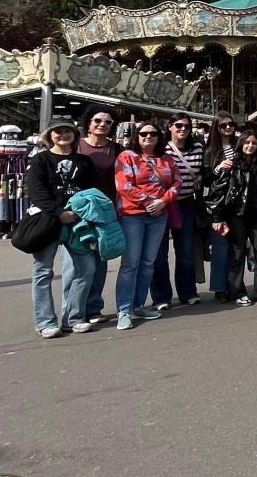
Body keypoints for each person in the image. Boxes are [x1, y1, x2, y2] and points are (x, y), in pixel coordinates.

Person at [25, 119, 99, 338]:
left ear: (75, 135)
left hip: (77, 222)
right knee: (43, 271)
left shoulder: (84, 161)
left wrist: (79, 213)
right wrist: (59, 213)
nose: (63, 135)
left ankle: (74, 317)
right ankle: (45, 321)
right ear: (49, 136)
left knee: (86, 269)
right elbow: (36, 192)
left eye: (68, 131)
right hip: (47, 222)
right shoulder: (40, 160)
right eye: (58, 131)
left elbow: (90, 191)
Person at [114, 123, 178, 331]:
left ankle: (138, 305)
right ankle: (124, 310)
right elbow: (123, 185)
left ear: (159, 137)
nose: (148, 136)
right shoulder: (127, 157)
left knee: (148, 262)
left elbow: (176, 182)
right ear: (137, 136)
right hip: (132, 215)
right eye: (143, 133)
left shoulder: (167, 159)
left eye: (153, 133)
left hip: (158, 215)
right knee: (130, 264)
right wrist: (150, 202)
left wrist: (163, 202)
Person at [206, 128, 257, 305]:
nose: (250, 146)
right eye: (247, 142)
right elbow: (217, 191)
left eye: (254, 143)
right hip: (236, 215)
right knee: (237, 254)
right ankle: (237, 291)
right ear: (241, 144)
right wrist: (218, 217)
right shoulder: (232, 164)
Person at [150, 114, 204, 310]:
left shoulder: (197, 147)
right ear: (170, 127)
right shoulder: (161, 148)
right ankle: (161, 296)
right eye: (178, 125)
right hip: (162, 204)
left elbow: (203, 172)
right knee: (159, 252)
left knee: (186, 251)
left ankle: (187, 292)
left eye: (187, 126)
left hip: (186, 203)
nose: (183, 129)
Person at [77, 108, 118, 322]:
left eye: (108, 122)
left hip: (105, 210)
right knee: (79, 263)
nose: (102, 124)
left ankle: (93, 308)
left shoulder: (116, 149)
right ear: (89, 123)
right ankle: (75, 310)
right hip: (79, 210)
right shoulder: (76, 145)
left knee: (101, 260)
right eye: (98, 120)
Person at [201, 115, 239, 299]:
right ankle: (219, 287)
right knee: (220, 247)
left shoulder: (239, 145)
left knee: (237, 248)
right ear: (216, 128)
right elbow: (205, 179)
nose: (228, 128)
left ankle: (234, 284)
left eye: (231, 124)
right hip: (218, 204)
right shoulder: (210, 150)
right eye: (223, 125)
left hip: (238, 202)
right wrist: (218, 168)